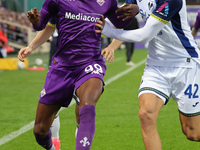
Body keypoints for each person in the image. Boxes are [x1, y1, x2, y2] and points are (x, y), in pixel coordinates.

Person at [18, 1, 139, 150]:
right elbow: (44, 24)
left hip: (90, 63)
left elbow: (121, 23)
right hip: (61, 67)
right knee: (40, 131)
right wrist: (33, 39)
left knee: (87, 107)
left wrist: (133, 12)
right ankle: (52, 146)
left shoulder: (106, 1)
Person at [95, 1, 200, 150]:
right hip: (156, 66)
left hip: (185, 65)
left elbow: (145, 35)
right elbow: (118, 19)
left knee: (193, 133)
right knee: (146, 114)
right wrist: (92, 19)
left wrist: (107, 30)